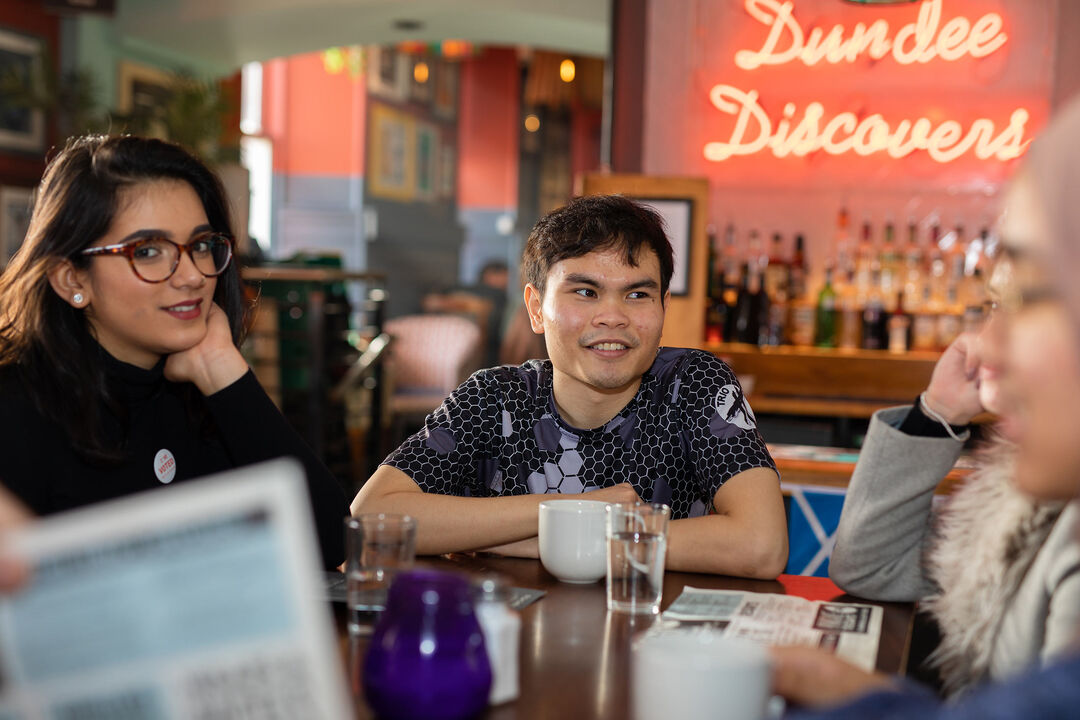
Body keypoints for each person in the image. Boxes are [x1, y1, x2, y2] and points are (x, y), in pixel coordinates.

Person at [771, 96, 1080, 717]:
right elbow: (869, 567)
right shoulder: (1024, 494)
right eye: (992, 309)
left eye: (1032, 298)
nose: (985, 345)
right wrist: (936, 411)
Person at [353, 194, 788, 577]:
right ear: (536, 308)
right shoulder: (493, 399)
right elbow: (370, 517)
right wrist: (577, 512)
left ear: (663, 307)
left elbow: (761, 544)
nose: (613, 317)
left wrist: (543, 543)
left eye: (638, 295)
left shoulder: (693, 385)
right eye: (585, 292)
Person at [0, 134, 349, 570]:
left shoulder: (200, 390)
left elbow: (331, 542)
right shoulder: (17, 407)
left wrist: (221, 368)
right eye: (147, 251)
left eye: (200, 245)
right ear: (73, 279)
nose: (192, 276)